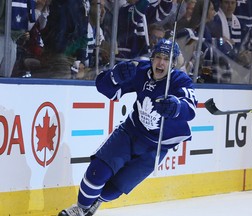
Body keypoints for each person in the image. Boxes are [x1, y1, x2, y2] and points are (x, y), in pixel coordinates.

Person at [58, 38, 198, 216]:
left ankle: (97, 201)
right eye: (158, 57)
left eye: (167, 59)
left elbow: (191, 107)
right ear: (152, 58)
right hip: (131, 132)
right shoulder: (140, 70)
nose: (161, 62)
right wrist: (114, 76)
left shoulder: (180, 81)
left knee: (113, 190)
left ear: (172, 63)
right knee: (97, 172)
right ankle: (80, 209)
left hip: (157, 146)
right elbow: (104, 87)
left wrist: (176, 107)